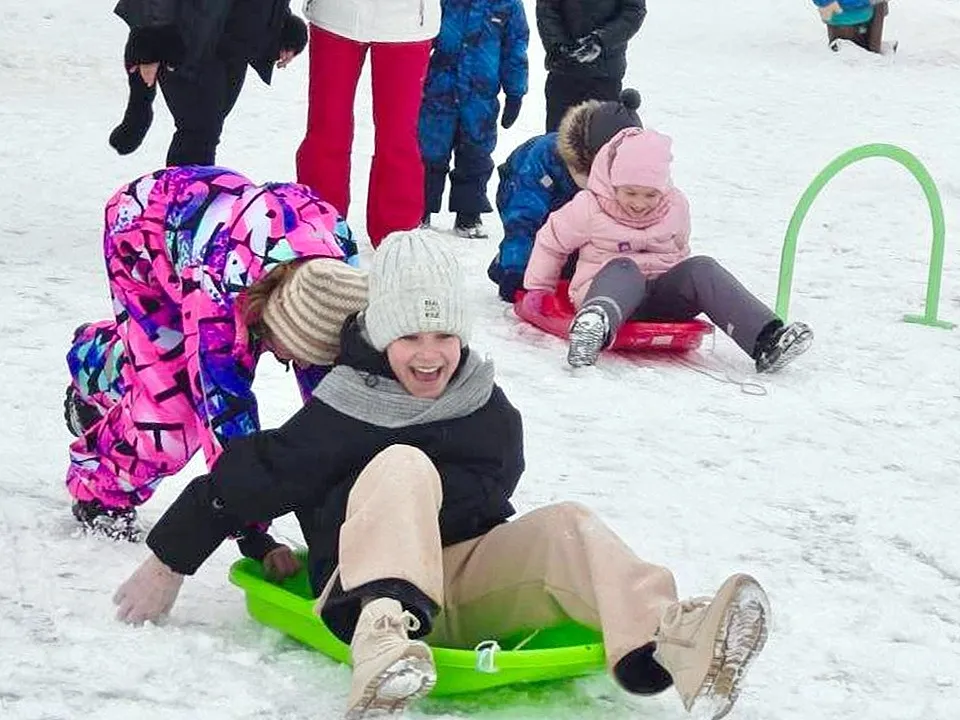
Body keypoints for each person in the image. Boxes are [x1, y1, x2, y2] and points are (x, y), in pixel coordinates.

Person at [113, 229, 771, 720]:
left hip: (460, 583)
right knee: (402, 465)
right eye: (410, 339)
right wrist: (167, 563)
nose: (430, 356)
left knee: (564, 523)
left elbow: (497, 480)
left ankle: (674, 639)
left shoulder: (483, 402)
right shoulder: (344, 408)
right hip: (363, 594)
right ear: (381, 336)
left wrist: (444, 513)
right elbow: (242, 481)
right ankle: (384, 650)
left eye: (444, 337)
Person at [64, 166, 368, 554]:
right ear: (265, 323)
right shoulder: (216, 301)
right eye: (287, 354)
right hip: (143, 237)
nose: (286, 362)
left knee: (169, 365)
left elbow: (339, 403)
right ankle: (99, 485)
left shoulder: (338, 286)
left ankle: (123, 364)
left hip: (225, 230)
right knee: (171, 416)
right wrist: (251, 527)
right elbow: (224, 407)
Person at [525, 127, 814, 371]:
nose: (640, 203)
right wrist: (538, 292)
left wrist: (686, 282)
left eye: (650, 194)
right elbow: (551, 242)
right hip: (607, 292)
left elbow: (679, 250)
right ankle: (592, 329)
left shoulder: (676, 206)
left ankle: (766, 340)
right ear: (614, 184)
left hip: (660, 297)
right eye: (630, 193)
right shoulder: (589, 207)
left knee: (702, 267)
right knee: (624, 267)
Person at [295, 0, 440, 248]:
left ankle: (396, 235)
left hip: (407, 23)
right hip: (335, 15)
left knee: (398, 137)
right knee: (326, 128)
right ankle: (319, 224)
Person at [487, 88, 642, 302]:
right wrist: (514, 271)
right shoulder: (541, 160)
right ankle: (504, 264)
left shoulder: (628, 166)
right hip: (527, 195)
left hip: (575, 208)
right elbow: (521, 220)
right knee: (536, 243)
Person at [109, 0, 309, 164]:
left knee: (204, 135)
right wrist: (151, 37)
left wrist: (281, 25)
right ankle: (188, 207)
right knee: (199, 134)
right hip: (184, 35)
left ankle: (190, 205)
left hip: (234, 45)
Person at [418, 0, 530, 239]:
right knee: (430, 151)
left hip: (480, 96)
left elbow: (515, 48)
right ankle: (420, 209)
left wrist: (515, 92)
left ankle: (468, 213)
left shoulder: (508, 5)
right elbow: (421, 36)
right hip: (439, 90)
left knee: (476, 153)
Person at [535, 0, 646, 133]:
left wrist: (601, 40)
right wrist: (558, 45)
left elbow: (634, 11)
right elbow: (546, 10)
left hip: (605, 74)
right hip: (563, 71)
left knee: (601, 140)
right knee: (557, 141)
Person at [814, 0, 893, 54]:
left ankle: (873, 50)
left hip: (862, 11)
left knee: (879, 5)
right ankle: (873, 50)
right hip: (840, 13)